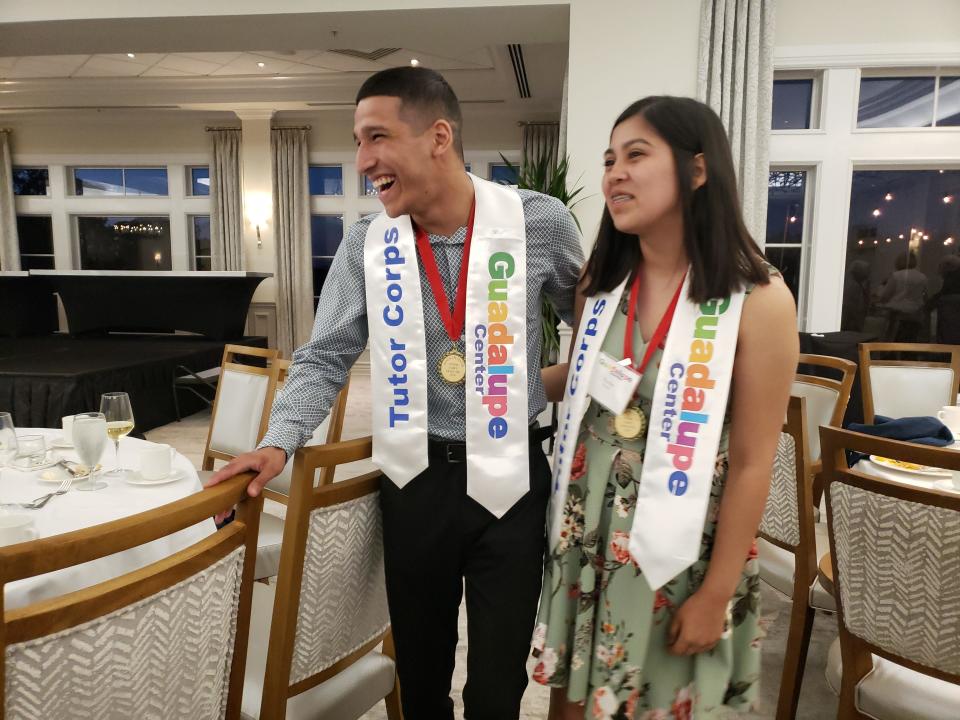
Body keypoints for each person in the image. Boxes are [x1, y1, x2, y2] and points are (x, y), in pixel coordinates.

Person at [207, 66, 584, 719]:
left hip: (513, 477)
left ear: (439, 136)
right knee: (421, 673)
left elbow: (598, 320)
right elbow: (324, 357)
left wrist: (561, 387)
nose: (362, 161)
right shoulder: (367, 246)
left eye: (377, 137)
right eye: (357, 141)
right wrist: (276, 444)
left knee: (498, 684)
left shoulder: (537, 222)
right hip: (414, 481)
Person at [533, 96, 798, 719]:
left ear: (697, 170)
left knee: (664, 704)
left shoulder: (757, 300)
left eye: (636, 155)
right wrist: (490, 392)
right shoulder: (600, 283)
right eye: (609, 160)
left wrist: (717, 591)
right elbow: (588, 380)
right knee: (571, 704)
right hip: (587, 537)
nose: (614, 173)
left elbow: (756, 461)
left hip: (681, 548)